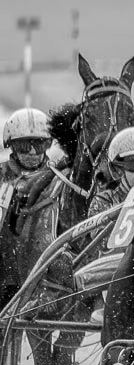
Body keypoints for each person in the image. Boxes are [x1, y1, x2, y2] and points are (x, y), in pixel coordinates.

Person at [71, 127, 134, 307]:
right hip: (114, 282)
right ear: (117, 169)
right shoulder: (103, 202)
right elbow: (109, 248)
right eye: (133, 166)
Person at [1, 108, 55, 311]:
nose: (33, 152)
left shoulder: (60, 177)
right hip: (6, 272)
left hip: (47, 273)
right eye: (25, 145)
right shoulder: (1, 176)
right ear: (12, 146)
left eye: (40, 144)